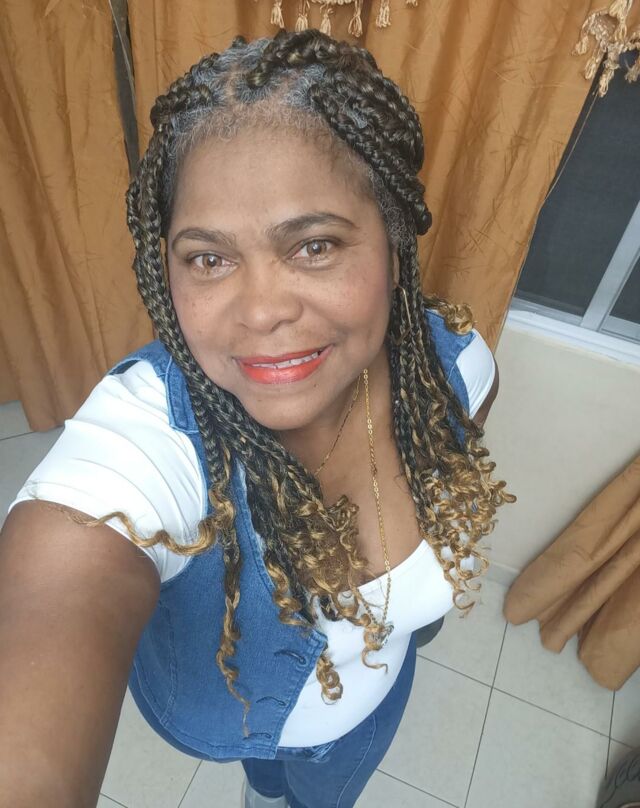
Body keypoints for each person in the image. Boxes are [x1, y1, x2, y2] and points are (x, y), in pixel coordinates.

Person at [0, 30, 514, 808]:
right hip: (229, 725)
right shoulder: (147, 445)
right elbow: (56, 596)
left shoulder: (459, 370)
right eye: (209, 259)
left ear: (392, 241)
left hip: (364, 718)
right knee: (263, 782)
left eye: (314, 245)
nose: (263, 311)